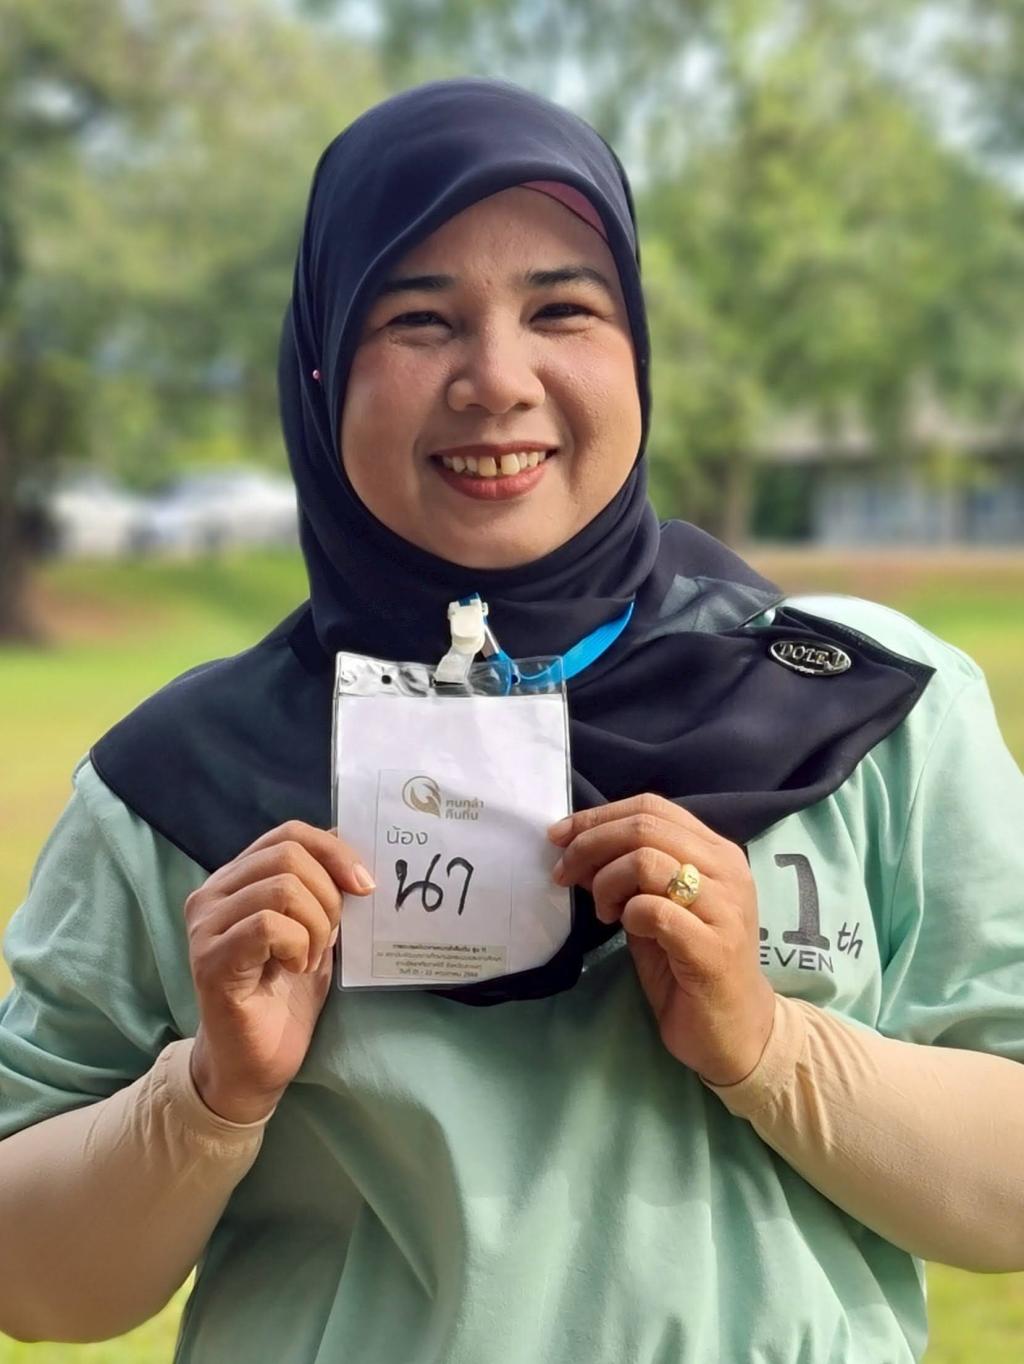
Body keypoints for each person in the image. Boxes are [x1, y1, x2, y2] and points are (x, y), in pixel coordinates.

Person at [1, 78, 1022, 1364]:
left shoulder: (864, 706)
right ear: (321, 369)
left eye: (562, 310)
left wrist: (769, 1044)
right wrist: (211, 1091)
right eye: (419, 319)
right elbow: (33, 1279)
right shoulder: (181, 785)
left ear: (636, 351)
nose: (495, 379)